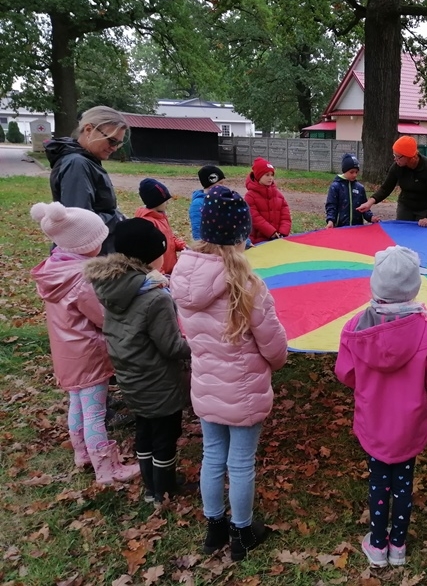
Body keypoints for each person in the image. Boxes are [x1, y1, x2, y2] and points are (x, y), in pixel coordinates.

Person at [172, 185, 288, 561]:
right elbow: (274, 347)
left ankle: (213, 528)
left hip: (206, 387)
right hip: (244, 391)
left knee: (211, 455)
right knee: (239, 462)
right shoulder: (247, 285)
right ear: (242, 235)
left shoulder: (183, 276)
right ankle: (242, 532)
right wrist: (275, 361)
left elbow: (189, 332)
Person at [335, 246, 427, 568]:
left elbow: (345, 373)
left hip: (373, 422)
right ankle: (397, 545)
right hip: (409, 425)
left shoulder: (356, 327)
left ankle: (377, 544)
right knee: (403, 483)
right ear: (415, 286)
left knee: (378, 481)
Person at [29, 202, 139, 485]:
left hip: (67, 353)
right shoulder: (81, 280)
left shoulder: (56, 270)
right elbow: (103, 317)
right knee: (95, 412)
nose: (102, 244)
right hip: (88, 353)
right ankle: (106, 468)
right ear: (84, 245)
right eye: (98, 240)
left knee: (77, 405)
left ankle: (82, 452)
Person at [84, 218, 192, 503]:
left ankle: (149, 486)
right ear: (151, 256)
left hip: (131, 376)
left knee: (144, 429)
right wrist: (197, 346)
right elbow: (171, 346)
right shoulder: (155, 298)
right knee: (165, 435)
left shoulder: (113, 286)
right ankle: (164, 489)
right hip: (158, 380)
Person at [45, 106, 129, 254]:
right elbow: (79, 225)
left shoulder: (86, 161)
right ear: (89, 130)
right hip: (88, 261)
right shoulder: (77, 164)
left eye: (118, 144)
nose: (114, 148)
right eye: (111, 141)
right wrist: (118, 219)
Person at [355, 136, 427, 227]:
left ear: (409, 157)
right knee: (402, 233)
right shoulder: (397, 166)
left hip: (425, 208)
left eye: (397, 156)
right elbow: (385, 188)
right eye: (394, 155)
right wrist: (369, 203)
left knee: (421, 236)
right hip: (406, 205)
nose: (395, 159)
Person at [134, 179, 186, 275]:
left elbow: (169, 237)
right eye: (165, 201)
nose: (167, 203)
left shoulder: (161, 216)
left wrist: (182, 245)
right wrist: (160, 275)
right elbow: (152, 254)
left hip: (171, 269)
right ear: (155, 202)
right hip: (162, 274)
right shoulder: (148, 223)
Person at [245, 157, 292, 243]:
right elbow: (254, 217)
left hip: (278, 239)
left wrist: (283, 232)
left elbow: (285, 215)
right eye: (267, 175)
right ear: (258, 176)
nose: (270, 178)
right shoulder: (250, 196)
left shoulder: (278, 195)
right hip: (258, 241)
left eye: (272, 175)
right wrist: (271, 232)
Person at [325, 154, 378, 228]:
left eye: (356, 172)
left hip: (356, 229)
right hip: (339, 228)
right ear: (344, 171)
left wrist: (371, 217)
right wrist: (330, 221)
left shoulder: (360, 188)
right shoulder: (335, 186)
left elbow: (364, 208)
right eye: (351, 172)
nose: (354, 175)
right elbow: (331, 206)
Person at [190, 166, 226, 241]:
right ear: (210, 184)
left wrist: (245, 241)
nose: (223, 186)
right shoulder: (198, 204)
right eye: (220, 183)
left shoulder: (223, 200)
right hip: (210, 247)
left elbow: (233, 223)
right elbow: (197, 230)